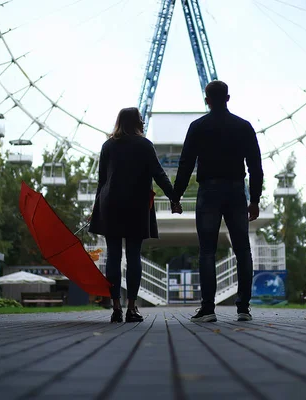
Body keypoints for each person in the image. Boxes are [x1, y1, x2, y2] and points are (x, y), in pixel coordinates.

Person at [172, 80, 264, 322]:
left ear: (207, 100)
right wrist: (254, 199)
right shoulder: (243, 127)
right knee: (242, 249)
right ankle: (243, 308)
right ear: (228, 98)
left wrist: (176, 195)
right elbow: (255, 166)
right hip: (236, 191)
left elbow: (186, 164)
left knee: (207, 251)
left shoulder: (198, 127)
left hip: (209, 192)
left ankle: (208, 309)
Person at [89, 107, 182, 323]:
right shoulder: (144, 145)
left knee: (113, 255)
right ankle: (131, 308)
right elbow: (158, 174)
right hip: (136, 204)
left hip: (110, 204)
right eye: (140, 118)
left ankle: (115, 308)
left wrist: (96, 209)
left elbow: (102, 180)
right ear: (136, 122)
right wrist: (174, 198)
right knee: (133, 255)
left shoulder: (108, 145)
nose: (142, 121)